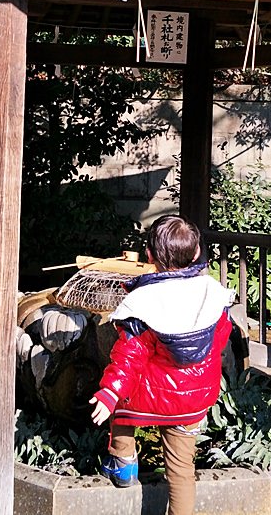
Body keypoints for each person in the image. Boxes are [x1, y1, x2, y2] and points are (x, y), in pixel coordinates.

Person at [89, 214, 235, 515]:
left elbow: (129, 356)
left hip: (149, 396)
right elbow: (220, 339)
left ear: (150, 255)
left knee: (121, 405)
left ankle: (123, 464)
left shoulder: (145, 301)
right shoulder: (211, 292)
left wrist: (109, 392)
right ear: (196, 254)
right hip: (193, 398)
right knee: (182, 471)